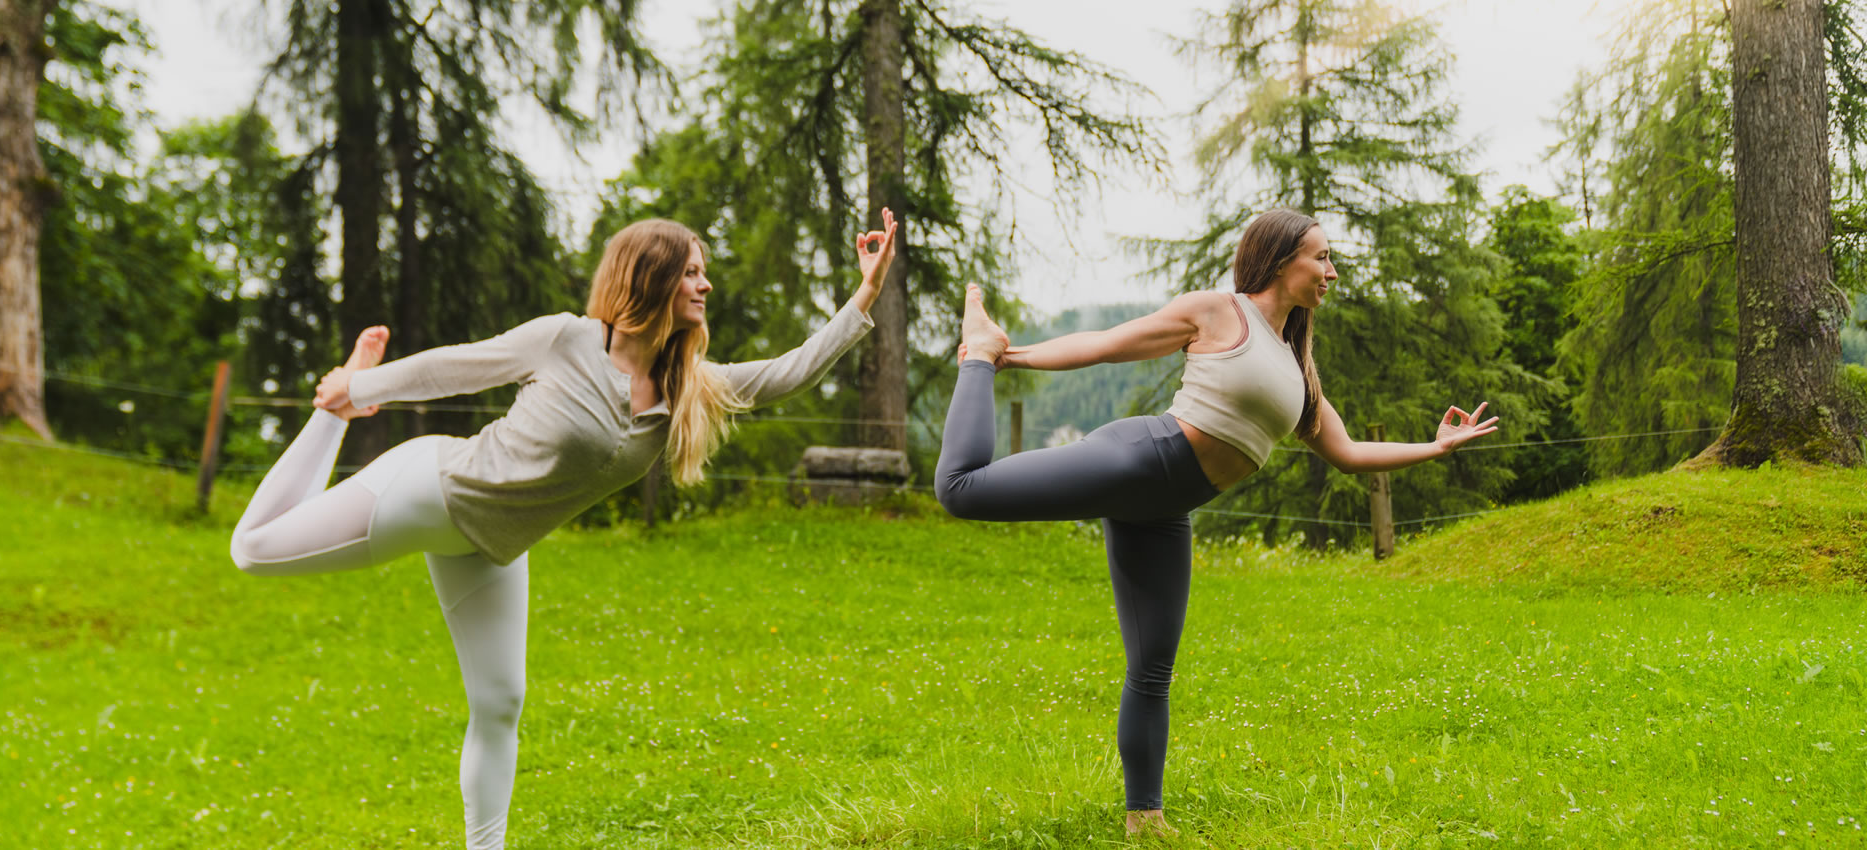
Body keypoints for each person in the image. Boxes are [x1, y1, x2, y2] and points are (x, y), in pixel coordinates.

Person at [228, 209, 899, 850]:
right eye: (692, 271)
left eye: (703, 272)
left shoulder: (684, 389)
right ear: (652, 276)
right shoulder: (567, 339)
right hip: (431, 489)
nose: (705, 284)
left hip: (491, 549)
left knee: (500, 704)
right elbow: (456, 366)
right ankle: (328, 421)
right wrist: (360, 388)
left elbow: (788, 373)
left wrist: (863, 295)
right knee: (252, 551)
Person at [933, 208, 1499, 837]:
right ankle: (976, 358)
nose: (1332, 272)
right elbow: (1109, 344)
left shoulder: (1297, 368)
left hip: (1168, 506)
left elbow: (1347, 454)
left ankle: (1145, 820)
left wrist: (1436, 446)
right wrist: (1007, 358)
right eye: (1322, 258)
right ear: (1283, 259)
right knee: (961, 490)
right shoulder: (1218, 312)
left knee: (1152, 667)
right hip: (1142, 457)